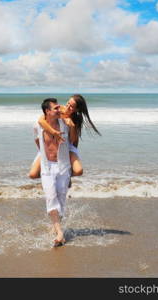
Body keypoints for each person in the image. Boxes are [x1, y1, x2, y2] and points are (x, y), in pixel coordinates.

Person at [29, 94, 101, 180]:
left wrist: (72, 126)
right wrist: (54, 132)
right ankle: (51, 177)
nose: (67, 107)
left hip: (68, 146)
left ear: (76, 110)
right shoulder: (58, 110)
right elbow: (41, 120)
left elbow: (73, 140)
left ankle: (65, 177)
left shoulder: (75, 119)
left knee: (79, 171)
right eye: (68, 103)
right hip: (50, 147)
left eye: (71, 107)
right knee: (32, 174)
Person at [35, 98, 72, 247]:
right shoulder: (38, 125)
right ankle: (60, 233)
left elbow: (73, 142)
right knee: (51, 197)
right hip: (47, 166)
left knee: (61, 198)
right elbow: (37, 141)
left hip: (63, 165)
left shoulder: (65, 124)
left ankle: (56, 227)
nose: (59, 110)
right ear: (47, 111)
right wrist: (42, 155)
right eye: (55, 108)